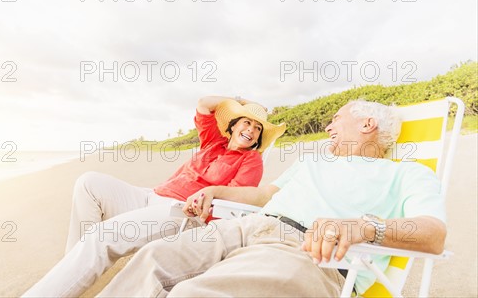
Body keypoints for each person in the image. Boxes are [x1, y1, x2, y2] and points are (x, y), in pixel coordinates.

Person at [97, 100, 447, 297]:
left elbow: (432, 234)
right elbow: (265, 195)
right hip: (250, 226)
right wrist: (215, 190)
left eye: (336, 119)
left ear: (367, 124)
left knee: (193, 293)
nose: (328, 127)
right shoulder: (314, 160)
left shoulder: (407, 174)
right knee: (151, 259)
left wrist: (363, 227)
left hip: (306, 254)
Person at [23, 96, 286, 297]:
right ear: (233, 126)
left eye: (257, 129)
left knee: (102, 236)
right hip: (151, 195)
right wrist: (236, 102)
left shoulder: (251, 160)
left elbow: (237, 200)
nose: (251, 130)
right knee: (88, 183)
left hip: (181, 213)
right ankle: (74, 270)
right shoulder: (213, 143)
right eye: (246, 122)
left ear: (257, 139)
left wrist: (205, 203)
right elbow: (204, 105)